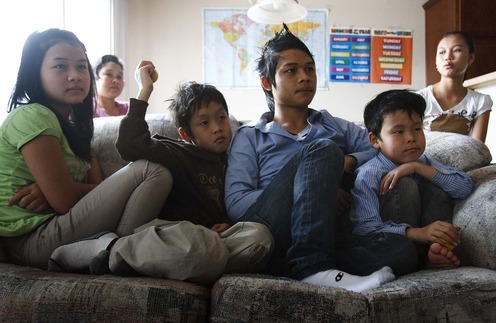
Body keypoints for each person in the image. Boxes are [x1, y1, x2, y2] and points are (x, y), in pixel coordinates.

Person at [50, 62, 274, 284]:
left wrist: (223, 225)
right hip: (171, 234)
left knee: (259, 238)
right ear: (186, 134)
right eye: (204, 123)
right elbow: (129, 144)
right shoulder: (176, 151)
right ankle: (109, 249)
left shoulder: (236, 157)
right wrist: (145, 90)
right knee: (202, 247)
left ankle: (186, 263)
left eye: (222, 117)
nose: (217, 127)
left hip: (212, 240)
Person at [224, 24, 396, 294]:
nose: (304, 77)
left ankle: (304, 265)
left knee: (403, 250)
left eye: (309, 69)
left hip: (330, 231)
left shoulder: (333, 124)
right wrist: (314, 191)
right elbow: (236, 204)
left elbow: (381, 147)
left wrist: (347, 162)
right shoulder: (249, 136)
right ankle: (311, 266)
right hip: (272, 228)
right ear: (268, 83)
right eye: (291, 71)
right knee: (324, 149)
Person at [0, 29, 172, 271]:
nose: (75, 76)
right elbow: (66, 202)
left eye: (81, 67)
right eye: (60, 67)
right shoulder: (33, 115)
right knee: (150, 171)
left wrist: (54, 189)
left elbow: (96, 192)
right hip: (31, 240)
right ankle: (119, 252)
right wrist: (60, 191)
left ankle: (112, 252)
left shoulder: (75, 131)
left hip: (60, 229)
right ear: (35, 73)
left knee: (159, 174)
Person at [349, 89, 474, 272]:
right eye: (398, 131)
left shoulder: (423, 161)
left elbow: (465, 187)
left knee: (436, 185)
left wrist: (418, 168)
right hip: (394, 247)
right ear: (375, 140)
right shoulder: (369, 174)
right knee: (404, 184)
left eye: (417, 128)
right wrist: (416, 233)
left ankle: (434, 253)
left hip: (430, 240)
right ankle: (417, 259)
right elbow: (364, 227)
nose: (411, 138)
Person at [417, 31, 493, 143]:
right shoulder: (419, 99)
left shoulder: (480, 101)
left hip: (462, 159)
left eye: (457, 50)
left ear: (470, 58)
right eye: (442, 52)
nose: (448, 57)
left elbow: (477, 149)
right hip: (421, 160)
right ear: (436, 61)